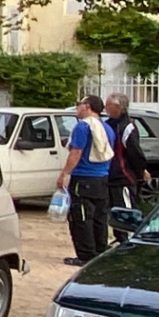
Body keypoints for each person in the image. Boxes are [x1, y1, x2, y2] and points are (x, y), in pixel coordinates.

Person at [54, 94, 114, 266]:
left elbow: (76, 152)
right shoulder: (106, 128)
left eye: (78, 104)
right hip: (102, 177)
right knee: (99, 217)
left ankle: (85, 255)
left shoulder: (82, 127)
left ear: (87, 106)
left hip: (84, 177)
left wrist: (64, 174)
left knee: (81, 217)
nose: (76, 108)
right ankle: (100, 250)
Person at [103, 93, 151, 241]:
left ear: (118, 107)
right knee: (114, 212)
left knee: (126, 211)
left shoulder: (127, 127)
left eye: (108, 104)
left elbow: (134, 151)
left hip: (123, 176)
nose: (105, 107)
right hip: (110, 175)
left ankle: (130, 240)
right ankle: (119, 238)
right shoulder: (108, 124)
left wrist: (140, 171)